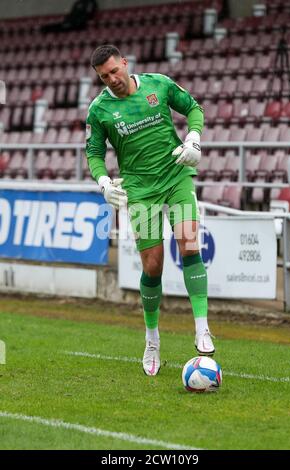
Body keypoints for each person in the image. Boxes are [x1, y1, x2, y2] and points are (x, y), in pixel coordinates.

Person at [85, 44, 215, 376]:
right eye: (104, 76)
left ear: (125, 63)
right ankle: (152, 337)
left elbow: (194, 108)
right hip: (139, 191)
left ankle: (202, 327)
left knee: (188, 242)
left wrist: (194, 139)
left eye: (115, 70)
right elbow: (94, 151)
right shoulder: (99, 110)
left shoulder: (159, 84)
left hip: (176, 176)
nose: (112, 79)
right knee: (153, 265)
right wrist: (103, 182)